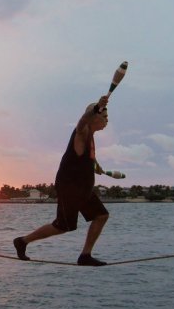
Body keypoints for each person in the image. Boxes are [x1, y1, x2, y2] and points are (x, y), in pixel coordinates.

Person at [13, 96, 112, 266]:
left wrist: (96, 165)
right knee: (63, 226)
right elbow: (82, 120)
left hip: (83, 189)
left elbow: (81, 157)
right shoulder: (83, 131)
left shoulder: (91, 137)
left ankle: (85, 256)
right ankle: (22, 241)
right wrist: (96, 107)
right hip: (71, 187)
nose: (107, 120)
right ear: (94, 116)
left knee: (101, 215)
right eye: (104, 116)